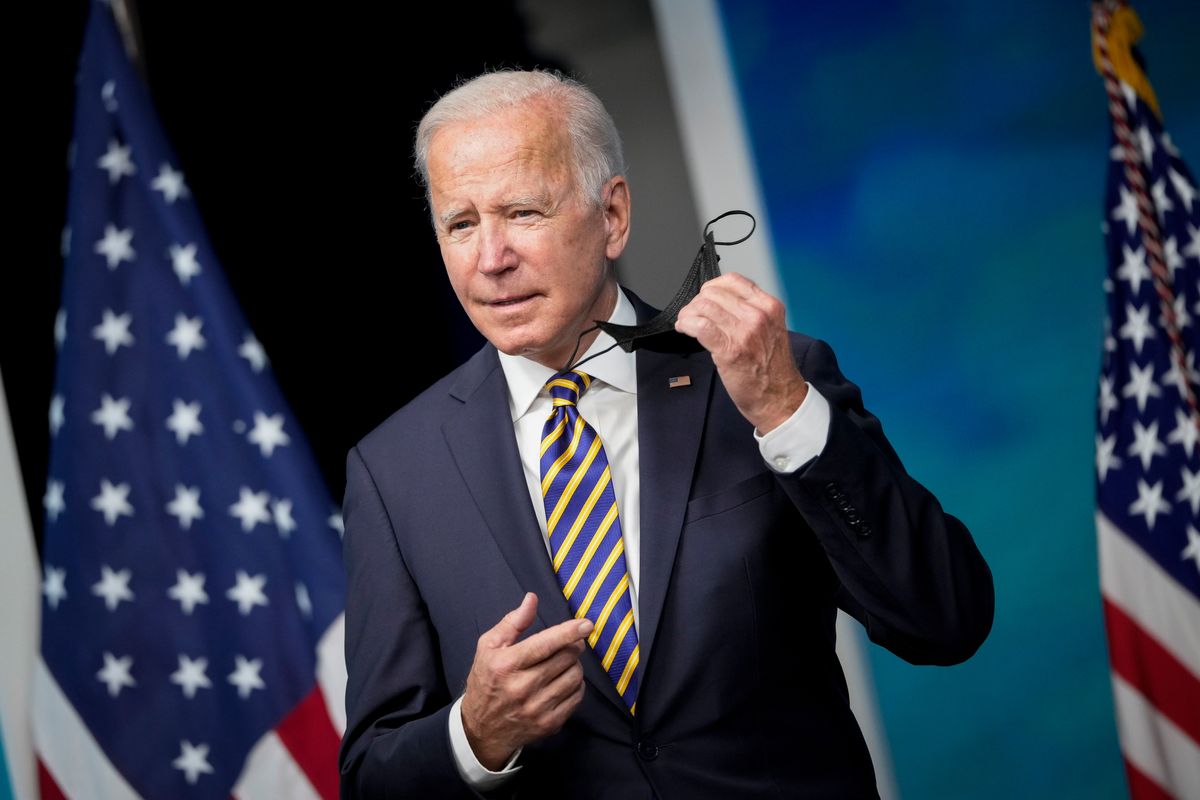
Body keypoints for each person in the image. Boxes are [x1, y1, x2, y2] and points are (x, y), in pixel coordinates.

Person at [338, 69, 993, 799]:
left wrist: (786, 413)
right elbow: (371, 777)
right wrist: (475, 734)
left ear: (613, 215)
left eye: (523, 212)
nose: (491, 259)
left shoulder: (768, 377)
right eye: (461, 224)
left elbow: (946, 620)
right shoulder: (394, 471)